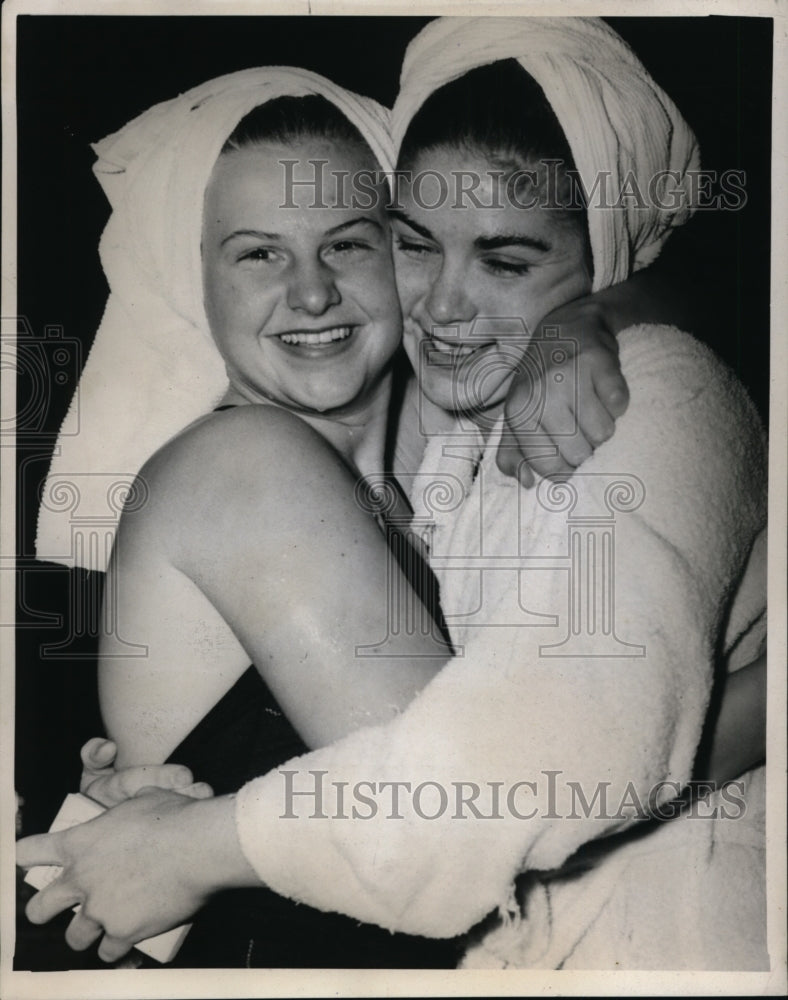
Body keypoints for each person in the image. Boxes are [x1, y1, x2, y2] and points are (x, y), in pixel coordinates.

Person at [19, 17, 767, 970]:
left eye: (351, 242)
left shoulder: (445, 458)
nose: (312, 293)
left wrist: (601, 311)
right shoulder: (244, 462)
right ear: (188, 284)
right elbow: (482, 820)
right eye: (256, 253)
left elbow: (664, 279)